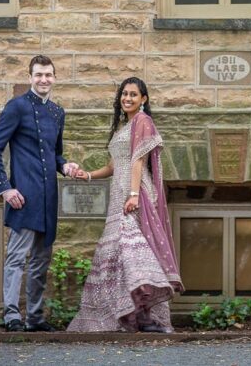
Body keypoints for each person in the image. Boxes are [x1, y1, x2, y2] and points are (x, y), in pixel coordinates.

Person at [67, 77, 183, 332]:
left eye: (133, 94)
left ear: (143, 99)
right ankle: (129, 315)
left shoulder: (143, 121)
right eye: (124, 94)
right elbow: (113, 165)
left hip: (136, 194)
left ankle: (147, 317)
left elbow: (138, 161)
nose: (127, 98)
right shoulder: (124, 126)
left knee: (135, 254)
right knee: (119, 255)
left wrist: (133, 194)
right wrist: (88, 175)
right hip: (119, 194)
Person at [0, 55, 79, 332]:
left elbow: (55, 154)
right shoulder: (16, 107)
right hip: (23, 197)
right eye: (38, 74)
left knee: (41, 262)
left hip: (48, 198)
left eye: (48, 75)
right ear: (30, 77)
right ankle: (12, 316)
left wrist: (65, 165)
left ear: (55, 78)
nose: (43, 79)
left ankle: (35, 318)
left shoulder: (58, 112)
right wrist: (5, 188)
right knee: (16, 259)